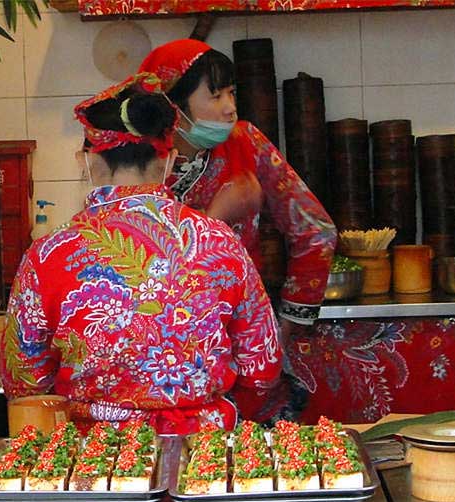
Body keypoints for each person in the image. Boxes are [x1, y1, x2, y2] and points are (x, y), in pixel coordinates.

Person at [0, 72, 282, 434]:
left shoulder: (48, 253)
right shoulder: (218, 239)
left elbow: (23, 381)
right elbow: (262, 367)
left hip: (93, 454)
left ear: (86, 162)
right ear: (170, 162)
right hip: (203, 451)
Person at [138, 39, 337, 422]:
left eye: (231, 93)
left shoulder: (245, 143)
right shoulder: (139, 163)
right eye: (215, 96)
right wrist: (217, 216)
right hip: (158, 358)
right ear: (170, 105)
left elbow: (316, 230)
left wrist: (285, 325)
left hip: (244, 347)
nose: (230, 107)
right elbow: (137, 263)